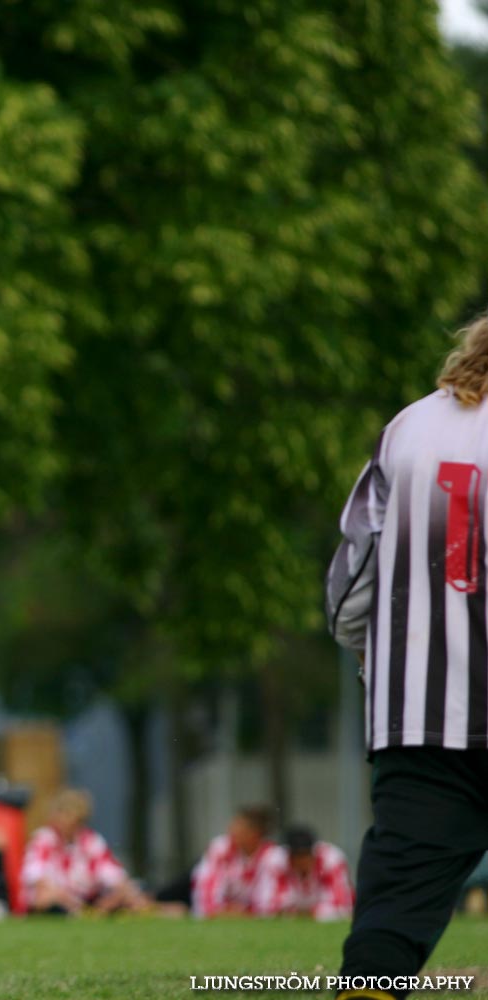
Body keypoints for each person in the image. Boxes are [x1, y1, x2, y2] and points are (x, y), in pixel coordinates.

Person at [325, 316, 488, 999]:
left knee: (395, 907)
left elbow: (354, 573)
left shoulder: (411, 427)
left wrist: (367, 648)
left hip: (420, 714)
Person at [21, 789, 149, 916]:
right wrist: (67, 900)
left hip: (87, 899)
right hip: (61, 899)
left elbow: (114, 876)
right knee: (43, 898)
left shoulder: (91, 841)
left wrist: (116, 896)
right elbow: (36, 878)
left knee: (131, 896)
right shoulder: (44, 839)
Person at [190, 804, 281, 918]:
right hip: (220, 908)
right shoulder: (221, 849)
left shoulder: (273, 856)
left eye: (238, 826)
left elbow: (271, 905)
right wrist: (220, 911)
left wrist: (245, 913)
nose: (231, 828)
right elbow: (206, 895)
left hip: (244, 912)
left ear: (255, 833)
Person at [252, 825, 353, 921]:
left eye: (306, 854)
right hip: (310, 914)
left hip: (303, 916)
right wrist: (314, 912)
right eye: (297, 855)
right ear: (289, 854)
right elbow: (265, 907)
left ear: (313, 851)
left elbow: (343, 907)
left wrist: (297, 912)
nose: (302, 860)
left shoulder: (331, 859)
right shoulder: (275, 860)